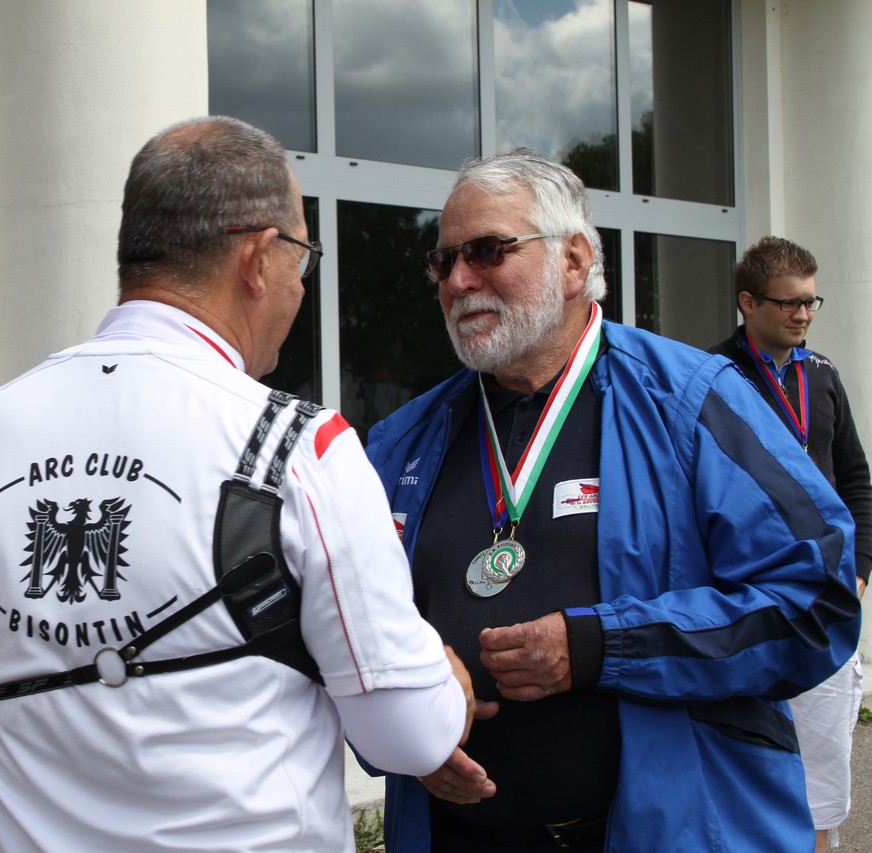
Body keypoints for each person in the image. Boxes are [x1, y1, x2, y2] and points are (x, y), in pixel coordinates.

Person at [0, 116, 477, 852]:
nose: (299, 286)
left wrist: (66, 669)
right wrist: (446, 682)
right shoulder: (297, 446)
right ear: (258, 258)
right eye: (304, 259)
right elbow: (407, 736)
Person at [363, 149, 862, 851]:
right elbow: (346, 632)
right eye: (442, 262)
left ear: (573, 261)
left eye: (485, 251)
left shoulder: (694, 402)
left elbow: (819, 601)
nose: (458, 280)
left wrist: (600, 645)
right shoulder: (400, 442)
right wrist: (402, 725)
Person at [708, 236, 869, 852]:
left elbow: (856, 478)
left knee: (824, 756)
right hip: (748, 596)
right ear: (748, 302)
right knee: (748, 753)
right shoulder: (712, 376)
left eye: (811, 302)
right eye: (789, 303)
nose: (803, 315)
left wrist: (860, 570)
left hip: (825, 598)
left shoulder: (823, 375)